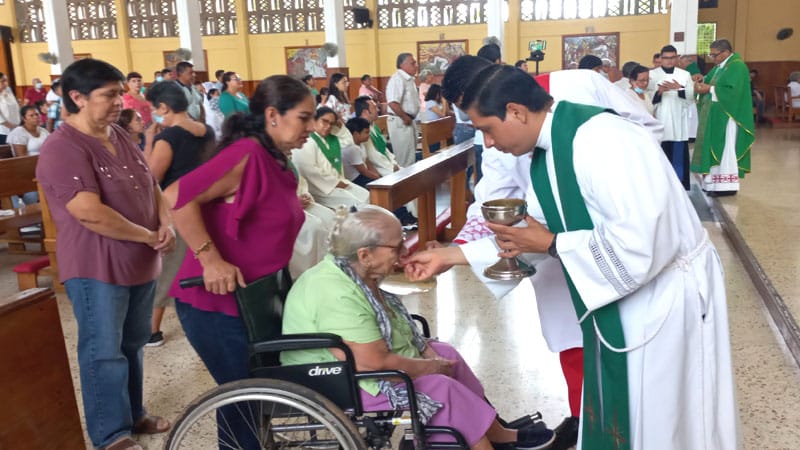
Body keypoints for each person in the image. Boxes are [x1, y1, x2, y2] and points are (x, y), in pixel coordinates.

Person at [405, 64, 738, 450]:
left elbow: (642, 244)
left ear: (516, 111)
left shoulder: (606, 140)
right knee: (634, 411)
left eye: (487, 129)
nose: (489, 144)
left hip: (663, 299)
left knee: (665, 415)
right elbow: (534, 231)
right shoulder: (548, 151)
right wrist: (452, 256)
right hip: (631, 299)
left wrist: (551, 244)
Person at [282, 205, 556, 450]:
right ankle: (480, 443)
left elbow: (388, 333)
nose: (404, 253)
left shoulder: (355, 272)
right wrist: (429, 366)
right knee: (438, 386)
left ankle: (496, 433)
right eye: (397, 248)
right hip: (334, 378)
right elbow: (372, 363)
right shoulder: (335, 292)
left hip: (358, 364)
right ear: (365, 255)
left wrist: (429, 354)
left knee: (445, 353)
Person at [162, 75, 312, 449]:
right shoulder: (247, 154)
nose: (310, 127)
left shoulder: (276, 160)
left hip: (255, 300)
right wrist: (210, 259)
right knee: (243, 400)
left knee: (252, 400)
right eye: (305, 118)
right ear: (273, 115)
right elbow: (176, 196)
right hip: (216, 303)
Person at [35, 58, 175, 450]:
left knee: (132, 344)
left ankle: (134, 414)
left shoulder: (117, 134)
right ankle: (110, 434)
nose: (120, 102)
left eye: (120, 93)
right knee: (103, 352)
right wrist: (147, 235)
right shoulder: (63, 148)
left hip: (140, 261)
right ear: (77, 97)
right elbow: (88, 212)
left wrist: (166, 224)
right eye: (110, 95)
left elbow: (152, 186)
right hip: (98, 265)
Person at [144, 81, 216, 347]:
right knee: (200, 262)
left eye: (155, 108)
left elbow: (151, 177)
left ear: (164, 107)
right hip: (205, 205)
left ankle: (152, 331)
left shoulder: (169, 137)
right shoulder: (205, 130)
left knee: (167, 271)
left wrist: (150, 140)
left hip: (177, 210)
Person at [693, 39, 755, 195]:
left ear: (726, 52)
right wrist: (700, 82)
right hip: (714, 115)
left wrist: (709, 89)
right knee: (714, 146)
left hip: (727, 117)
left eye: (714, 55)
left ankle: (726, 186)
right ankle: (713, 184)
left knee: (725, 147)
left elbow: (733, 92)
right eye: (711, 55)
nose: (712, 58)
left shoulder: (737, 67)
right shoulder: (720, 67)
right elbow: (708, 82)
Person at [291, 107, 369, 209]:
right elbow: (309, 170)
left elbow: (348, 142)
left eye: (331, 124)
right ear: (314, 120)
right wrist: (334, 183)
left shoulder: (331, 139)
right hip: (321, 188)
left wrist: (340, 126)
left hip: (338, 181)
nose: (328, 126)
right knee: (356, 204)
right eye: (324, 122)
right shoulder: (307, 140)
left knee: (367, 195)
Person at [649, 45, 694, 190]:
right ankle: (662, 185)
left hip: (678, 119)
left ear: (677, 58)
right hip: (660, 118)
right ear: (661, 59)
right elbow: (648, 98)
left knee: (679, 152)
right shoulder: (652, 75)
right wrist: (660, 92)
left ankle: (680, 184)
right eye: (666, 58)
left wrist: (679, 89)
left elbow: (691, 98)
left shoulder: (684, 75)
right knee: (660, 154)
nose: (669, 61)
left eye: (672, 58)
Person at [386, 52, 421, 167]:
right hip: (401, 121)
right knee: (404, 159)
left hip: (408, 120)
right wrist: (404, 117)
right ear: (402, 65)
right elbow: (392, 102)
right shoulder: (397, 79)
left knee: (410, 156)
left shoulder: (409, 79)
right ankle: (404, 183)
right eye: (413, 63)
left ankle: (410, 182)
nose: (416, 65)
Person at [343, 117, 381, 187]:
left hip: (362, 176)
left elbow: (367, 162)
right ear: (356, 134)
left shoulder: (361, 143)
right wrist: (379, 179)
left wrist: (378, 176)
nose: (369, 135)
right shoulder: (352, 148)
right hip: (355, 180)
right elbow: (364, 172)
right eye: (366, 132)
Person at [0, 72, 20, 144]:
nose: (6, 83)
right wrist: (11, 126)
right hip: (3, 130)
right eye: (3, 81)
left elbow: (16, 106)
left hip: (16, 126)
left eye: (6, 80)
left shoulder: (8, 90)